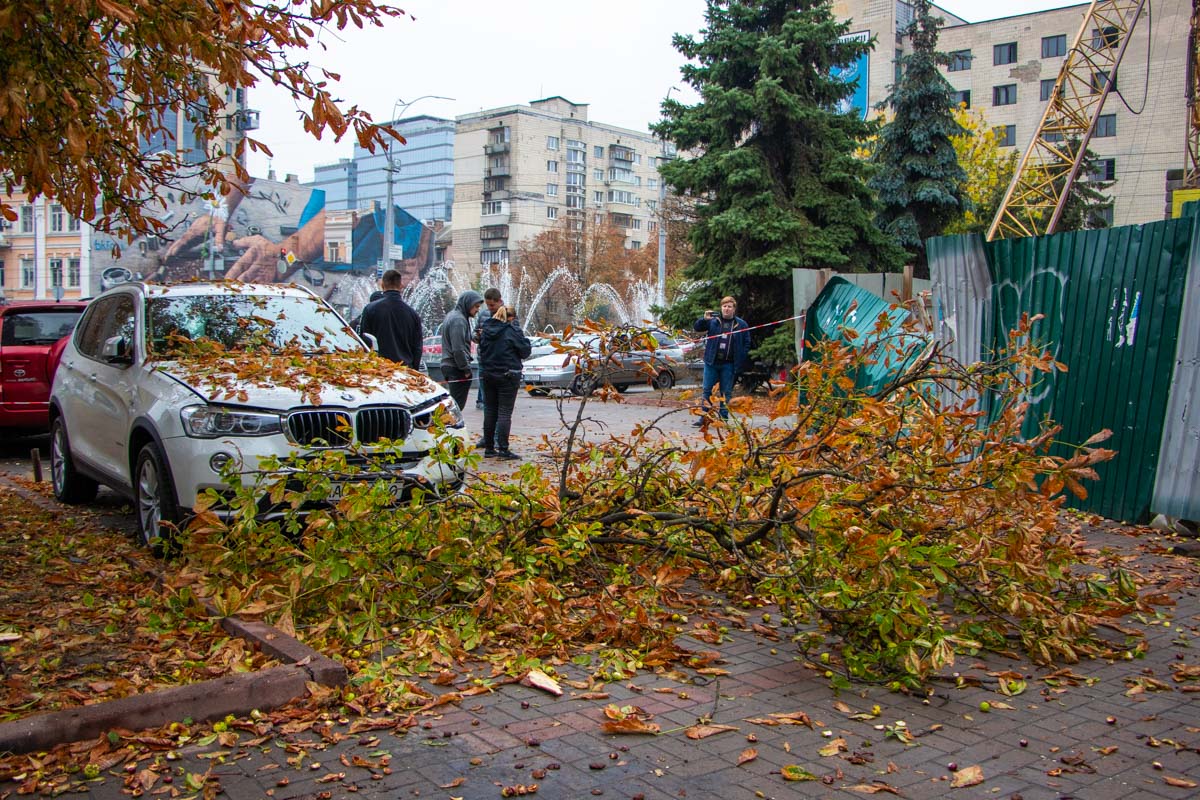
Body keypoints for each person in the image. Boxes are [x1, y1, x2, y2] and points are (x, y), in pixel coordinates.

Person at [477, 305, 531, 460]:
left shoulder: (485, 330)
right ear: (510, 318)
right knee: (504, 412)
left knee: (490, 411)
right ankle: (503, 449)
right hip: (508, 376)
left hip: (488, 375)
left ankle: (489, 448)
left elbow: (481, 351)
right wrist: (525, 340)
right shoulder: (511, 331)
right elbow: (525, 351)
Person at [693, 296, 750, 425]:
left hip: (729, 364)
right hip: (711, 362)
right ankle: (704, 417)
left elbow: (747, 342)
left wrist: (741, 356)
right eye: (724, 306)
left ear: (734, 309)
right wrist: (704, 319)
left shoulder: (741, 324)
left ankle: (723, 419)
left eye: (729, 306)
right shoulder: (713, 321)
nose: (726, 309)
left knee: (726, 392)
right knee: (707, 390)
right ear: (721, 308)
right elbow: (697, 327)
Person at [358, 271, 423, 368]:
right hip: (405, 369)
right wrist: (414, 369)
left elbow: (365, 341)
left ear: (382, 285)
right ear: (401, 286)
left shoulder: (370, 309)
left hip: (379, 369)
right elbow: (417, 347)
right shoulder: (412, 314)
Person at [441, 290, 484, 411]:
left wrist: (477, 337)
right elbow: (458, 349)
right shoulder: (459, 320)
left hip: (450, 365)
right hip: (456, 367)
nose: (477, 310)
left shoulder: (454, 316)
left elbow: (462, 341)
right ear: (468, 304)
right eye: (476, 306)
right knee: (456, 408)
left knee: (453, 405)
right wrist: (466, 369)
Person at [474, 288, 504, 409]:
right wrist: (478, 336)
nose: (490, 308)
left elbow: (512, 337)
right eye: (488, 305)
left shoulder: (509, 315)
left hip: (500, 361)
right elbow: (475, 334)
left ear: (500, 301)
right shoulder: (483, 314)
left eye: (492, 305)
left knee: (498, 403)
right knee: (487, 400)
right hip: (484, 359)